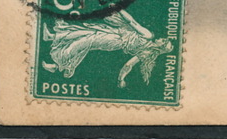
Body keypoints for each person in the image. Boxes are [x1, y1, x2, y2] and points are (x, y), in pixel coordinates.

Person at [41, 9, 172, 87]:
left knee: (88, 40)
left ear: (161, 46)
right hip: (116, 35)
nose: (162, 38)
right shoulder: (146, 52)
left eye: (164, 41)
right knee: (88, 31)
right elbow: (128, 65)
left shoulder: (148, 36)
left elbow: (132, 22)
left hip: (116, 40)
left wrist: (120, 9)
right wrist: (121, 79)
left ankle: (58, 64)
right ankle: (52, 37)